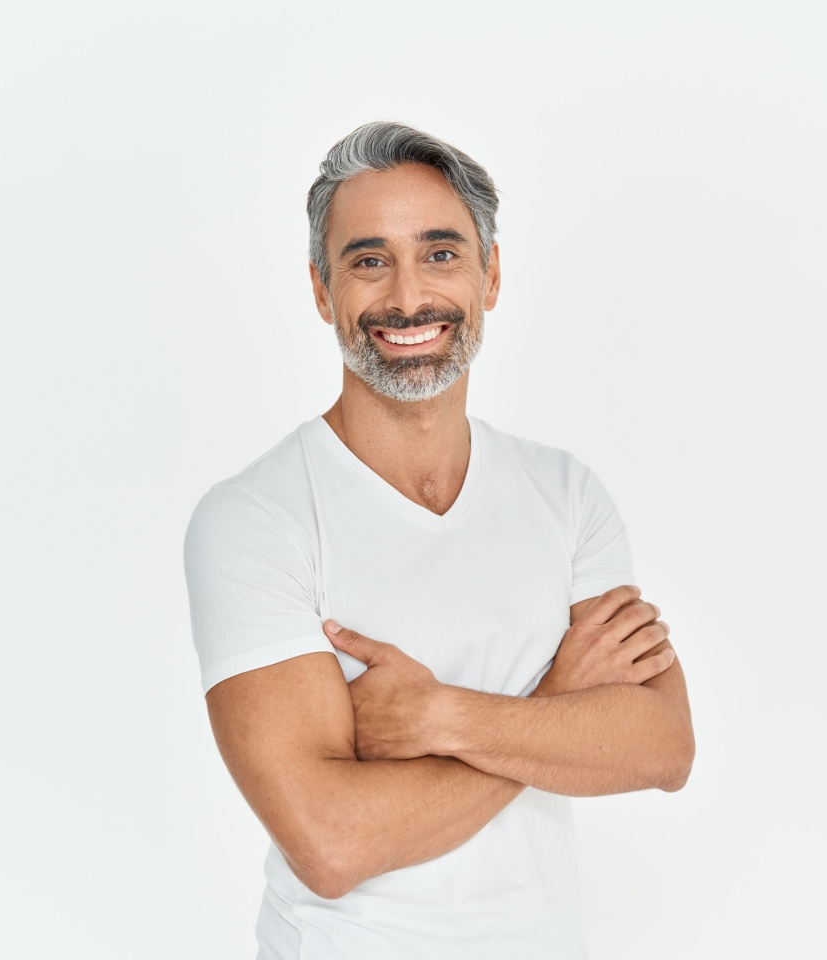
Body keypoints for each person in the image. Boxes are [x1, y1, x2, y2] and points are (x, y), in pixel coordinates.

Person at [184, 121, 694, 960]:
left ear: (491, 276)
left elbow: (661, 747)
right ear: (322, 289)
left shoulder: (564, 493)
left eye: (442, 253)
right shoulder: (255, 518)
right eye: (368, 259)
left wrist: (440, 715)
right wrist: (555, 703)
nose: (408, 297)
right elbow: (331, 844)